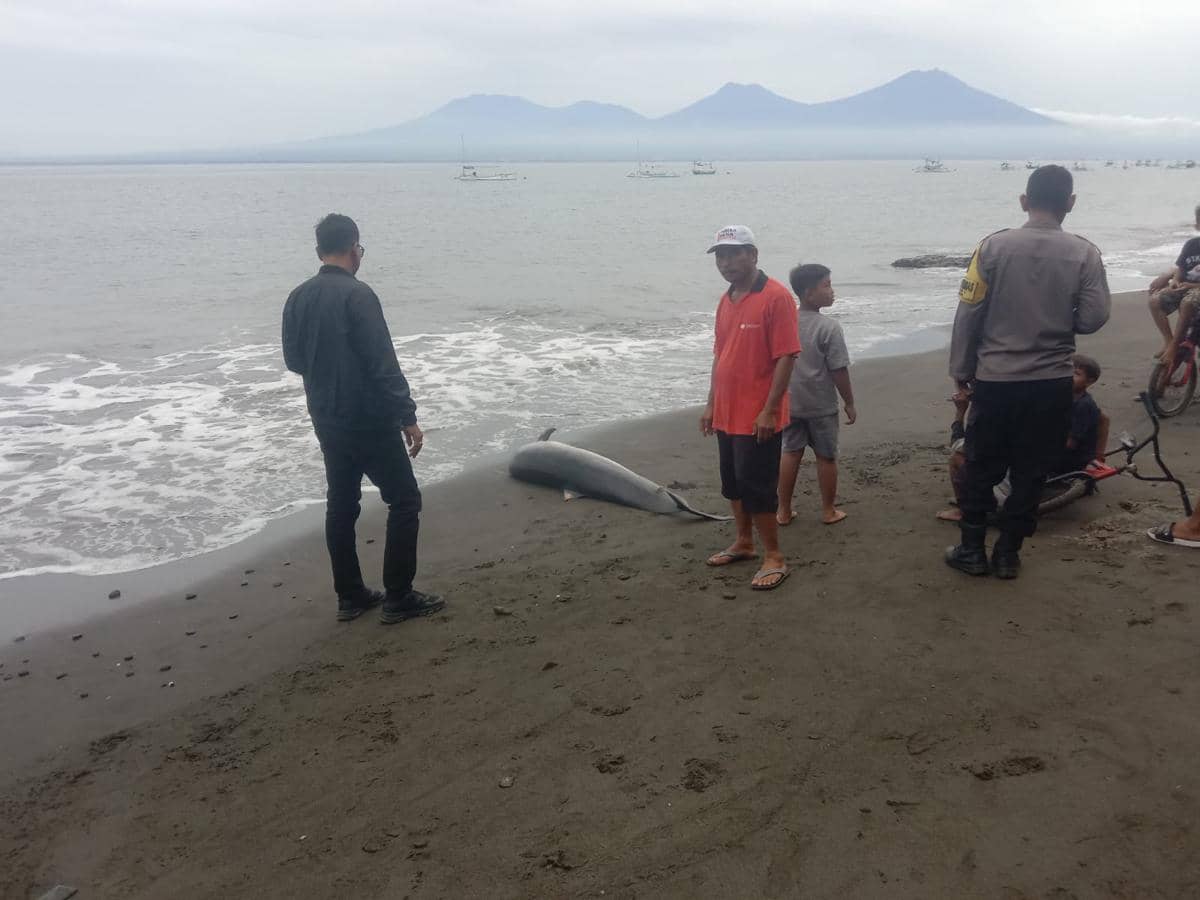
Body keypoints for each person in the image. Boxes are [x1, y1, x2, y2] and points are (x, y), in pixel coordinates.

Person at [945, 165, 1111, 579]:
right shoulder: (1085, 253)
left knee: (981, 466)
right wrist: (1059, 316)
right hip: (1051, 382)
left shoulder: (992, 248)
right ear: (1070, 203)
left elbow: (968, 313)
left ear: (1024, 201)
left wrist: (962, 369)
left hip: (996, 380)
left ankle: (971, 550)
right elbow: (1094, 316)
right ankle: (1007, 553)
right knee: (1030, 471)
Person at [282, 214, 445, 624]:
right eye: (360, 249)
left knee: (341, 503)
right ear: (354, 247)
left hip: (326, 417)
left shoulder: (297, 297)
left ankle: (351, 595)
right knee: (405, 499)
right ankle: (398, 596)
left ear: (319, 250)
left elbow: (293, 361)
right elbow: (381, 362)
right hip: (368, 418)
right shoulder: (358, 296)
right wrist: (407, 415)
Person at [700, 225, 801, 591]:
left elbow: (786, 356)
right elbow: (719, 354)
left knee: (758, 486)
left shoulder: (776, 297)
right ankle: (743, 542)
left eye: (734, 254)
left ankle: (774, 556)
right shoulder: (727, 299)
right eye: (721, 256)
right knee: (734, 483)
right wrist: (711, 403)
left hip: (758, 414)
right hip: (727, 411)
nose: (726, 263)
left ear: (754, 255)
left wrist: (770, 410)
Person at [777, 263, 856, 526]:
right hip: (820, 404)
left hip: (791, 401)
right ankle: (828, 509)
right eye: (827, 285)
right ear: (809, 293)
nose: (832, 291)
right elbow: (838, 369)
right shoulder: (829, 327)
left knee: (791, 452)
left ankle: (784, 510)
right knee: (826, 456)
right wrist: (849, 402)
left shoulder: (787, 323)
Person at [1147, 204, 1200, 360]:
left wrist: (1193, 286)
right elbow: (1181, 268)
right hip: (1185, 286)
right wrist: (1175, 280)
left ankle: (1175, 345)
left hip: (1196, 289)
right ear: (1197, 225)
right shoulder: (1191, 245)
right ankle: (1169, 341)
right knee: (1155, 300)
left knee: (1187, 303)